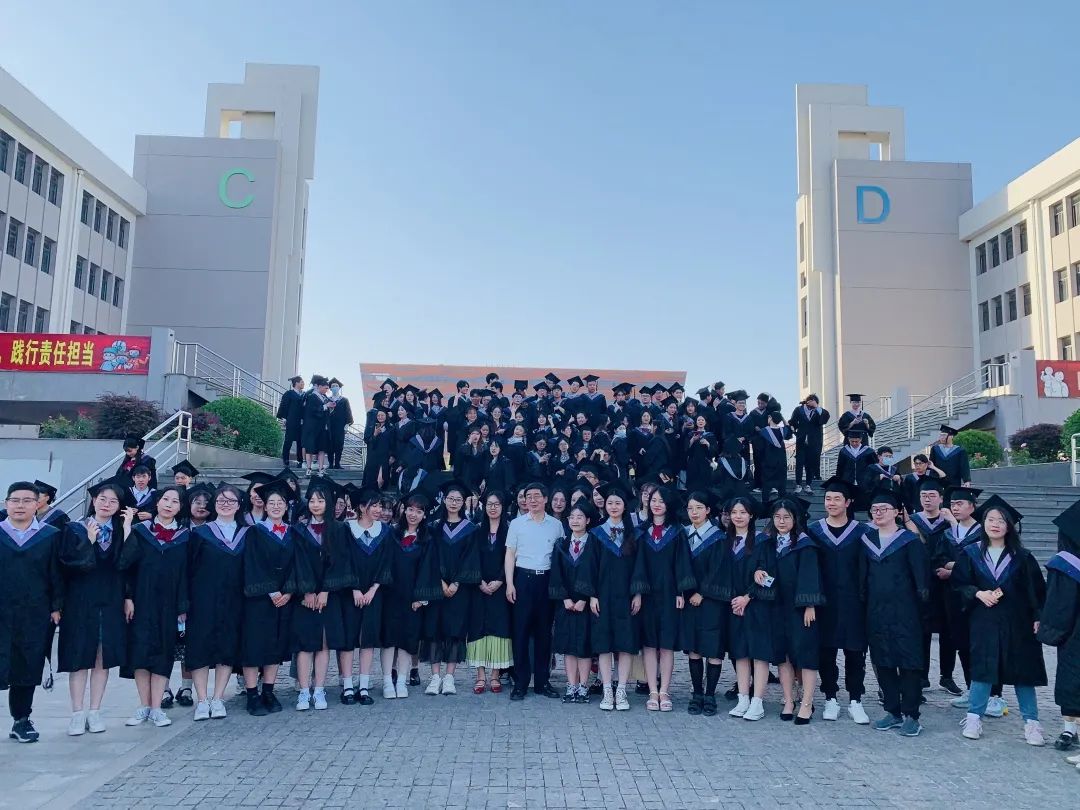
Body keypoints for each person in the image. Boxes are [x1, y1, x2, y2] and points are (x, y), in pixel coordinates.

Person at [953, 495, 1047, 745]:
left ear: (1009, 526)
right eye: (990, 519)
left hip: (1017, 623)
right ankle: (973, 718)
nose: (995, 524)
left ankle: (1032, 724)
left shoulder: (1022, 557)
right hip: (984, 620)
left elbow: (1037, 592)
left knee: (1023, 673)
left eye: (1001, 520)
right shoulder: (971, 553)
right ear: (983, 523)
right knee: (982, 670)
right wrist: (978, 593)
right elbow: (959, 584)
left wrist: (1038, 616)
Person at [58, 479, 135, 736]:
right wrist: (89, 541)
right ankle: (77, 713)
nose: (107, 504)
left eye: (113, 501)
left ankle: (95, 711)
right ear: (93, 501)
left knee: (103, 658)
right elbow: (68, 566)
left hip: (111, 600)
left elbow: (126, 565)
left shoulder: (120, 531)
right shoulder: (75, 529)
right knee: (80, 657)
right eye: (103, 499)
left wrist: (127, 528)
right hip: (80, 601)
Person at [118, 486, 189, 729]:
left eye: (175, 501)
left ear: (180, 508)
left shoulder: (185, 536)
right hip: (141, 601)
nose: (169, 504)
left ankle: (157, 707)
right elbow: (127, 567)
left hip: (169, 604)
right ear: (157, 503)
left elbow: (187, 574)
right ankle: (144, 705)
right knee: (140, 653)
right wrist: (128, 597)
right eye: (165, 499)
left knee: (163, 653)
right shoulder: (141, 531)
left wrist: (183, 605)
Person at [1, 482, 65, 743]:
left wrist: (56, 607)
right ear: (6, 503)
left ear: (37, 505)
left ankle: (21, 719)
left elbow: (56, 574)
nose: (20, 505)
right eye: (15, 500)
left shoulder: (50, 535)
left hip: (35, 612)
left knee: (27, 663)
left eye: (27, 501)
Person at [863, 489, 929, 738]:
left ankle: (912, 715)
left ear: (897, 512)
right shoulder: (867, 541)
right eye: (875, 510)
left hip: (906, 612)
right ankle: (893, 711)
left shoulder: (909, 541)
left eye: (884, 509)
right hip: (876, 611)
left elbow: (921, 578)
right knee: (883, 660)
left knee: (909, 662)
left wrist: (920, 608)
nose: (878, 513)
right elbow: (862, 577)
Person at [807, 477, 870, 725]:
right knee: (826, 652)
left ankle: (856, 700)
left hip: (854, 602)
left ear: (848, 502)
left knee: (855, 652)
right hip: (825, 602)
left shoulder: (863, 532)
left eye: (836, 499)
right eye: (828, 499)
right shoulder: (814, 530)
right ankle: (830, 697)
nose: (831, 503)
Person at [185, 485, 248, 722]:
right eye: (221, 500)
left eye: (231, 501)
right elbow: (188, 569)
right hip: (202, 599)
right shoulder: (200, 533)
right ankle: (202, 700)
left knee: (226, 646)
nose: (225, 504)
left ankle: (218, 698)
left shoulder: (247, 533)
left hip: (234, 599)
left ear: (239, 506)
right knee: (199, 646)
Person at [291, 479, 351, 711]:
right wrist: (307, 591)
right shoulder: (299, 530)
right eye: (312, 500)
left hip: (329, 595)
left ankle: (319, 689)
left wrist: (325, 591)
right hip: (304, 596)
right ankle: (304, 691)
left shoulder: (339, 529)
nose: (315, 504)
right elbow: (298, 562)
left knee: (324, 643)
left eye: (320, 500)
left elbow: (340, 562)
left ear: (329, 503)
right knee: (306, 644)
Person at [762, 496, 823, 725]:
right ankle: (788, 700)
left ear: (795, 519)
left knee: (805, 655)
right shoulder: (769, 543)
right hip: (776, 607)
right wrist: (758, 572)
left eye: (786, 517)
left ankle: (806, 703)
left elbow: (810, 576)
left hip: (799, 609)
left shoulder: (805, 545)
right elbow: (762, 568)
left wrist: (810, 605)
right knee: (783, 656)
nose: (781, 521)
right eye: (777, 517)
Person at [631, 487, 692, 713]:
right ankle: (652, 691)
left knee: (666, 644)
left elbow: (682, 563)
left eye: (661, 501)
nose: (656, 504)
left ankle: (665, 690)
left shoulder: (677, 532)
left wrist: (680, 592)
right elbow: (636, 565)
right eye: (653, 500)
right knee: (649, 644)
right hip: (647, 594)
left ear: (669, 504)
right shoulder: (640, 532)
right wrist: (637, 593)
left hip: (669, 593)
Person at [418, 481, 481, 696]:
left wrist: (456, 582)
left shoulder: (471, 529)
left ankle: (450, 677)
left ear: (463, 503)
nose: (454, 503)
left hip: (459, 589)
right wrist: (441, 582)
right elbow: (429, 558)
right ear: (444, 500)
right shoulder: (434, 527)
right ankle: (435, 677)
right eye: (450, 499)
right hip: (437, 587)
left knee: (455, 631)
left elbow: (471, 558)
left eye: (458, 500)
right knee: (434, 630)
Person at [240, 479, 297, 717]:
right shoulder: (254, 532)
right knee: (254, 645)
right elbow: (252, 564)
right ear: (264, 505)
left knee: (275, 644)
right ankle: (252, 694)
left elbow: (298, 565)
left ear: (286, 506)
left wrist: (289, 591)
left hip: (285, 598)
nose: (275, 506)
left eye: (280, 502)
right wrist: (273, 591)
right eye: (271, 502)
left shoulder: (293, 533)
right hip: (259, 598)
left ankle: (269, 691)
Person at [504, 482, 564, 700]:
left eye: (537, 496)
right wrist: (510, 583)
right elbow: (510, 554)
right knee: (520, 633)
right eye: (528, 496)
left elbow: (561, 556)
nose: (532, 500)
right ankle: (520, 683)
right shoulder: (517, 524)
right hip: (523, 579)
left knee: (544, 633)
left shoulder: (556, 525)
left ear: (545, 499)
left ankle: (542, 681)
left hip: (546, 581)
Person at [588, 480, 642, 711]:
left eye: (617, 503)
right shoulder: (596, 534)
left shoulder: (635, 535)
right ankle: (607, 689)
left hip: (626, 596)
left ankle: (621, 689)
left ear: (624, 506)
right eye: (609, 503)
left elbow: (639, 567)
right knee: (604, 643)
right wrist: (592, 595)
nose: (613, 506)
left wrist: (638, 593)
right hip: (603, 595)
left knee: (625, 643)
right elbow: (590, 566)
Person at [343, 485, 393, 706]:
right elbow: (343, 561)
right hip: (349, 592)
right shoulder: (346, 529)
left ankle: (363, 686)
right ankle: (347, 686)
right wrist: (354, 588)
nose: (379, 509)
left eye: (380, 505)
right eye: (374, 505)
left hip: (374, 593)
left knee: (368, 638)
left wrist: (373, 589)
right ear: (362, 507)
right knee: (348, 639)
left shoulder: (385, 532)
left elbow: (387, 562)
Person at [934, 486, 984, 705]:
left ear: (972, 507)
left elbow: (980, 564)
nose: (955, 508)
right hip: (951, 596)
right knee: (961, 642)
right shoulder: (947, 534)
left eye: (960, 504)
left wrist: (953, 568)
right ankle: (971, 688)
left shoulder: (983, 532)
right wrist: (950, 567)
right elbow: (939, 560)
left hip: (975, 596)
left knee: (977, 643)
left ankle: (988, 692)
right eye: (952, 504)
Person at [680, 491, 728, 717]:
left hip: (712, 601)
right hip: (689, 599)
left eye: (699, 508)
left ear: (708, 510)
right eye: (690, 508)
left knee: (712, 646)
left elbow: (718, 570)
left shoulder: (718, 537)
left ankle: (710, 695)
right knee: (694, 647)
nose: (694, 512)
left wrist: (702, 592)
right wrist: (684, 591)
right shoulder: (683, 534)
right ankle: (697, 694)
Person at [1038, 499, 1080, 754]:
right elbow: (1059, 601)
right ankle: (1070, 729)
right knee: (1072, 676)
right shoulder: (1067, 564)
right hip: (1074, 632)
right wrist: (1054, 628)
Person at [381, 493, 430, 700]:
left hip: (412, 598)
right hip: (390, 595)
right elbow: (384, 562)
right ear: (403, 510)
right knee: (389, 639)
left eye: (419, 511)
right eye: (410, 509)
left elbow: (427, 569)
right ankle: (387, 680)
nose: (413, 514)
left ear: (424, 515)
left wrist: (421, 597)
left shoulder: (426, 539)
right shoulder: (391, 534)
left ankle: (401, 680)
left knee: (407, 639)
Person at [904, 479, 951, 693]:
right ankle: (921, 676)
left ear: (941, 498)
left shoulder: (949, 522)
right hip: (920, 583)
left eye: (932, 495)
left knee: (948, 632)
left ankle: (946, 676)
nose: (927, 499)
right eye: (924, 496)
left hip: (945, 583)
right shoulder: (912, 521)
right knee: (921, 631)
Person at [549, 501, 598, 704]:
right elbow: (556, 573)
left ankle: (583, 685)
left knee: (584, 646)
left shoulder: (595, 544)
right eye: (572, 517)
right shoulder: (561, 545)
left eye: (580, 517)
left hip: (585, 605)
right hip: (566, 604)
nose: (575, 521)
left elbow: (597, 573)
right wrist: (565, 598)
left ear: (588, 520)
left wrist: (584, 598)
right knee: (568, 646)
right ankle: (571, 685)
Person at [468, 492, 513, 693]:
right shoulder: (476, 530)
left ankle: (495, 675)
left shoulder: (509, 530)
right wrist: (479, 581)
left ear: (503, 507)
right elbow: (471, 557)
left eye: (497, 504)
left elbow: (511, 557)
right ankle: (480, 675)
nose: (493, 508)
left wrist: (500, 580)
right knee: (478, 627)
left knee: (499, 627)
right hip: (479, 587)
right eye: (489, 504)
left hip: (501, 588)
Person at [725, 495, 760, 719]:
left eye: (743, 512)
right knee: (739, 652)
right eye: (734, 513)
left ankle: (757, 701)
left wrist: (748, 596)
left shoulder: (762, 541)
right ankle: (743, 698)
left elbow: (768, 575)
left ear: (751, 515)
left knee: (756, 652)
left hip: (755, 605)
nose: (738, 516)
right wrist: (732, 599)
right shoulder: (724, 542)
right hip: (732, 605)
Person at [790, 395, 830, 494]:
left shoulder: (819, 411)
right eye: (810, 403)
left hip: (814, 442)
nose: (811, 406)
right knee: (799, 463)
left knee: (810, 464)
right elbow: (793, 422)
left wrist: (816, 407)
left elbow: (824, 420)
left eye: (814, 403)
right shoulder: (799, 410)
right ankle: (798, 485)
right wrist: (794, 430)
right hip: (801, 441)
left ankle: (808, 485)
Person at [301, 375, 333, 477]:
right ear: (319, 386)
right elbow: (312, 411)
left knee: (322, 448)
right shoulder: (311, 397)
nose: (327, 390)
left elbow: (325, 411)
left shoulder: (324, 397)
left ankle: (321, 469)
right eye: (325, 388)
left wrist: (330, 407)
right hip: (312, 427)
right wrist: (325, 406)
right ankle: (309, 468)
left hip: (322, 427)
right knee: (310, 448)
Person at [277, 375, 306, 468]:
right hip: (291, 420)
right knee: (288, 440)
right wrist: (284, 418)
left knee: (300, 441)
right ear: (296, 383)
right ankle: (285, 458)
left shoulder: (304, 395)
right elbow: (284, 406)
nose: (303, 384)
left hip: (301, 422)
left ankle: (300, 460)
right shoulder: (289, 394)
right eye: (302, 382)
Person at [327, 378, 354, 470]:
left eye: (336, 386)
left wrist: (347, 425)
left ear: (339, 388)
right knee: (329, 445)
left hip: (340, 426)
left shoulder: (344, 400)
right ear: (330, 388)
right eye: (333, 386)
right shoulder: (327, 399)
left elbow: (348, 412)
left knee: (339, 445)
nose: (335, 387)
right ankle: (330, 464)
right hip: (330, 426)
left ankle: (337, 463)